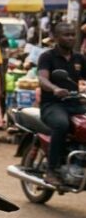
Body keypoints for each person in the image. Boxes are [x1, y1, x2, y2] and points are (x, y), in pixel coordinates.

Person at [37, 22, 86, 186]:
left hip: (75, 103)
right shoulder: (47, 56)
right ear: (57, 37)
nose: (71, 37)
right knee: (61, 124)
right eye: (67, 35)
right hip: (53, 104)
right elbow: (42, 78)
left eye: (73, 34)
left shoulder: (79, 58)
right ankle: (51, 170)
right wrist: (55, 88)